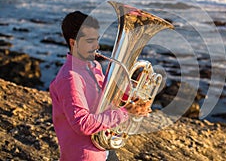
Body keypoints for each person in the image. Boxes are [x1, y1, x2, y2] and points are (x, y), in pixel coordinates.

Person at [49, 11, 151, 161]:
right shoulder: (70, 78)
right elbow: (82, 124)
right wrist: (125, 112)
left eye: (97, 39)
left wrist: (133, 100)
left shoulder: (94, 65)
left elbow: (108, 100)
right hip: (86, 155)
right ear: (73, 42)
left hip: (103, 146)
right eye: (90, 41)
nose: (97, 46)